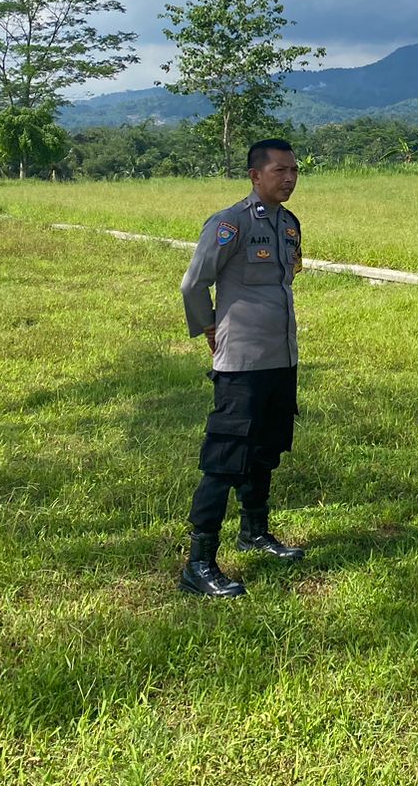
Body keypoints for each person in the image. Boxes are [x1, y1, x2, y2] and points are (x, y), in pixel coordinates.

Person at [176, 138, 308, 598]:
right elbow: (194, 283)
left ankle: (254, 530)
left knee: (266, 449)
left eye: (293, 170)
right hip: (242, 362)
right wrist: (210, 328)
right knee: (226, 458)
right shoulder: (229, 224)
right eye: (279, 171)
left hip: (280, 357)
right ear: (255, 175)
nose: (288, 178)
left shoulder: (288, 225)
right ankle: (199, 563)